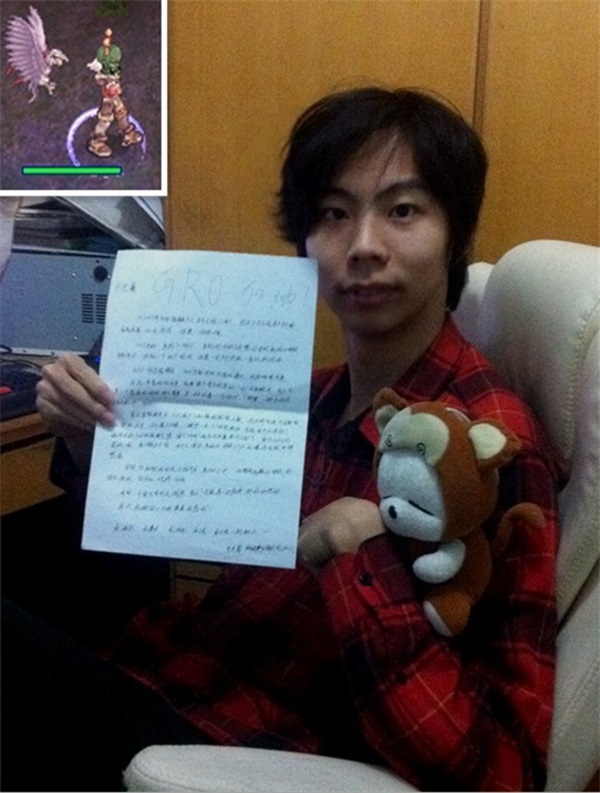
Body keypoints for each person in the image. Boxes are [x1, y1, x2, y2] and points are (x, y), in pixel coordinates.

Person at [2, 86, 559, 792]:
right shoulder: (316, 398)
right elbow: (170, 529)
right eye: (333, 214)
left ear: (455, 234)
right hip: (186, 675)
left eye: (403, 211)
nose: (364, 247)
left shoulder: (488, 442)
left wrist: (360, 558)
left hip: (256, 754)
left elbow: (507, 770)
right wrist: (93, 442)